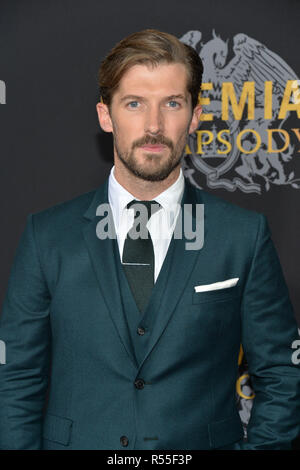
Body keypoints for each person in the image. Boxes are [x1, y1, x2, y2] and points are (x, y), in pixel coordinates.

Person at [0, 29, 299, 451]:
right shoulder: (47, 237)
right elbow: (15, 378)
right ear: (106, 116)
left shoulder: (242, 236)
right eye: (135, 104)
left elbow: (282, 374)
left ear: (195, 116)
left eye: (172, 104)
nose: (154, 126)